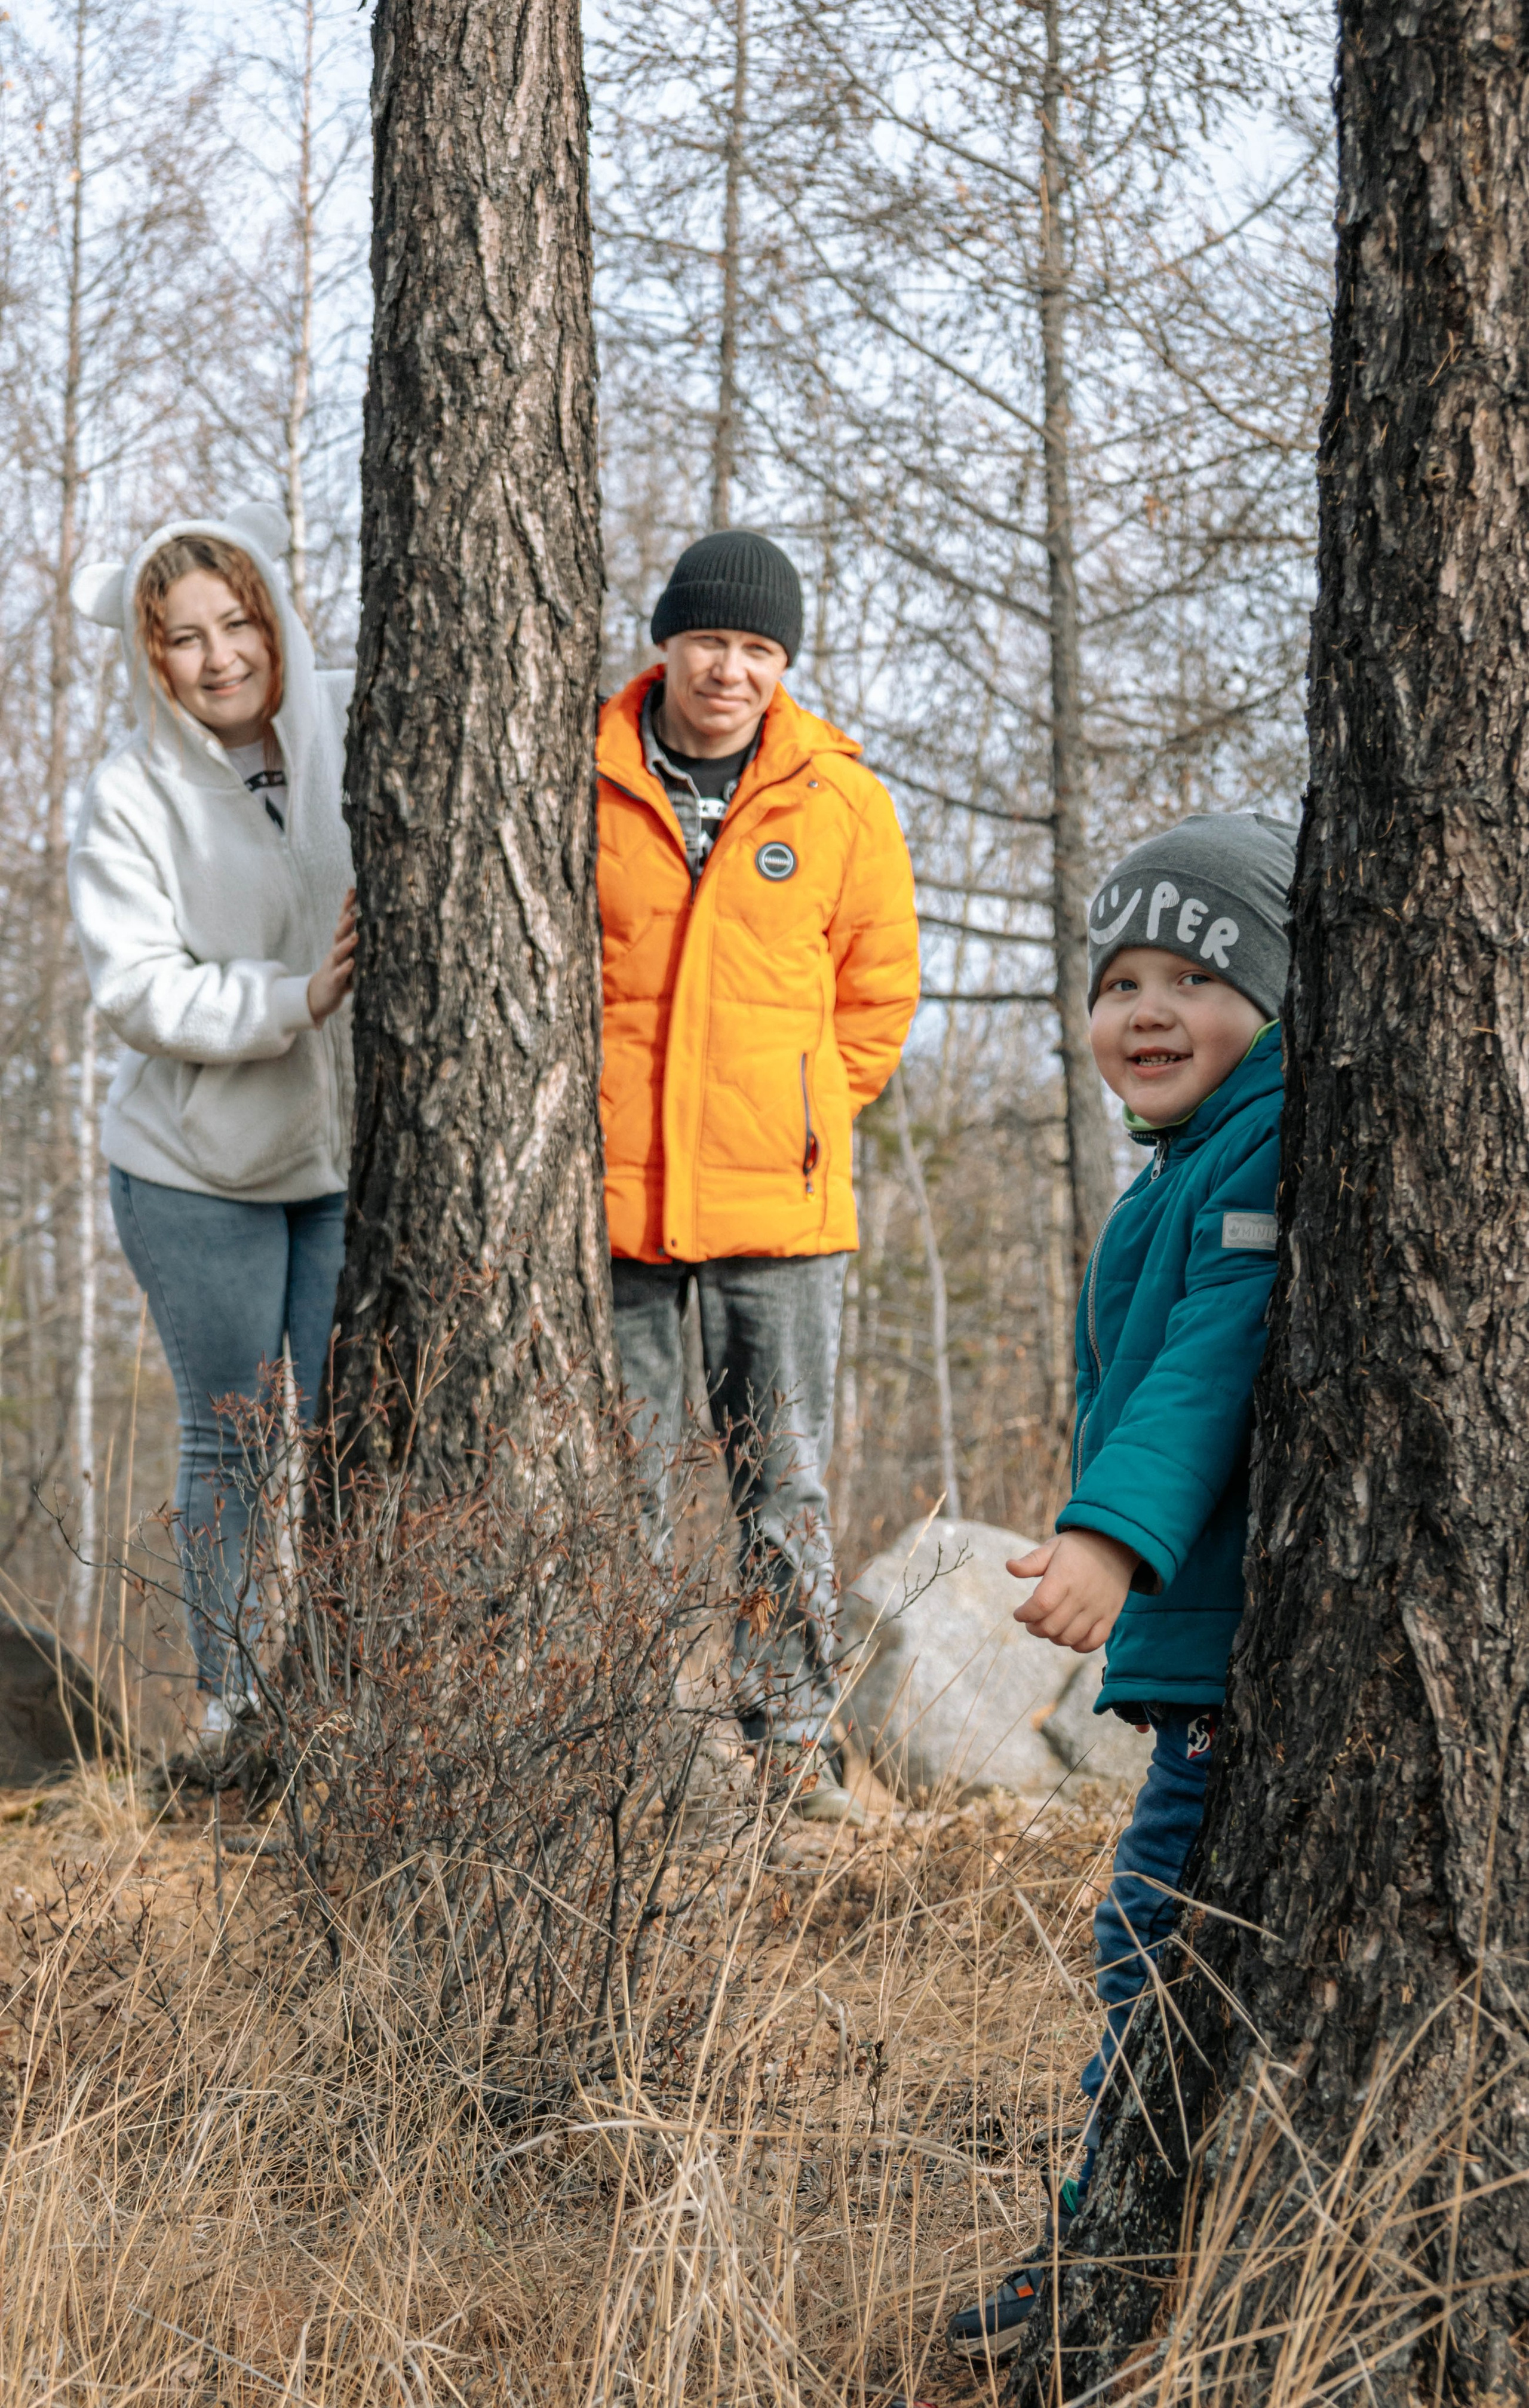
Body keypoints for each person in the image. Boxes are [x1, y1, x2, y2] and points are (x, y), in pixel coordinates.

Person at [946, 811, 1297, 2361]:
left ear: (1276, 997)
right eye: (1118, 985)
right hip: (1209, 1649)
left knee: (1155, 1945)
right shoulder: (1187, 1157)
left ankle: (1109, 2254)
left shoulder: (1261, 1145)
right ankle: (1135, 2236)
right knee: (1165, 1946)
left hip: (1223, 1648)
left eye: (1196, 979)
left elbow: (1214, 1362)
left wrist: (1110, 1538)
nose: (1147, 1013)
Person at [597, 529, 920, 1826]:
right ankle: (614, 1742)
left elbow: (878, 995)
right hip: (611, 1205)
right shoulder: (586, 774)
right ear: (666, 644)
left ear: (781, 664)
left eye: (754, 648)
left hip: (780, 1210)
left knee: (781, 1485)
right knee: (613, 1484)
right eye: (707, 642)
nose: (727, 670)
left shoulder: (838, 798)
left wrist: (803, 1119)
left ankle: (790, 1741)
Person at [68, 501, 357, 1744]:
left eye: (238, 622)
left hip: (349, 1163)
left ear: (276, 619)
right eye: (184, 638)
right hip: (196, 1173)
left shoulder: (355, 720)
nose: (220, 656)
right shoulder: (129, 794)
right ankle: (233, 1711)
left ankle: (349, 1696)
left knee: (351, 1432)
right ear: (151, 658)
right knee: (235, 1440)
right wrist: (295, 999)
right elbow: (135, 988)